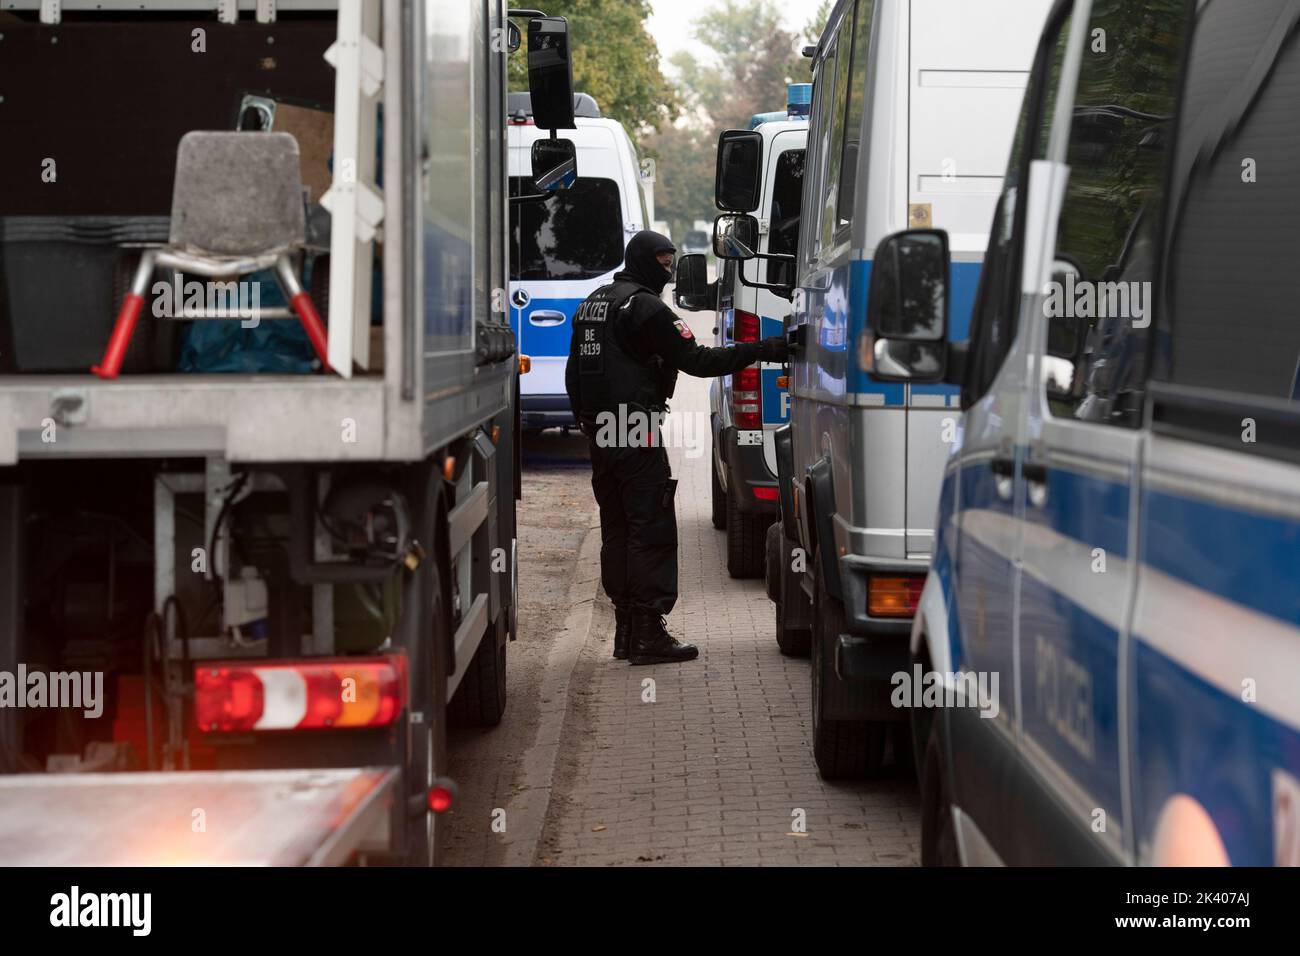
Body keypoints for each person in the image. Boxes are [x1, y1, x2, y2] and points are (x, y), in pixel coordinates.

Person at [565, 230, 788, 665]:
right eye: (663, 261)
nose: (668, 270)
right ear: (645, 260)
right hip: (634, 429)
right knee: (650, 528)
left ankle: (626, 631)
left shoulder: (593, 301)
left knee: (618, 529)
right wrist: (768, 348)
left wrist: (586, 423)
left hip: (600, 433)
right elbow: (700, 361)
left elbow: (575, 372)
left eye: (672, 261)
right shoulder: (646, 307)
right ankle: (648, 633)